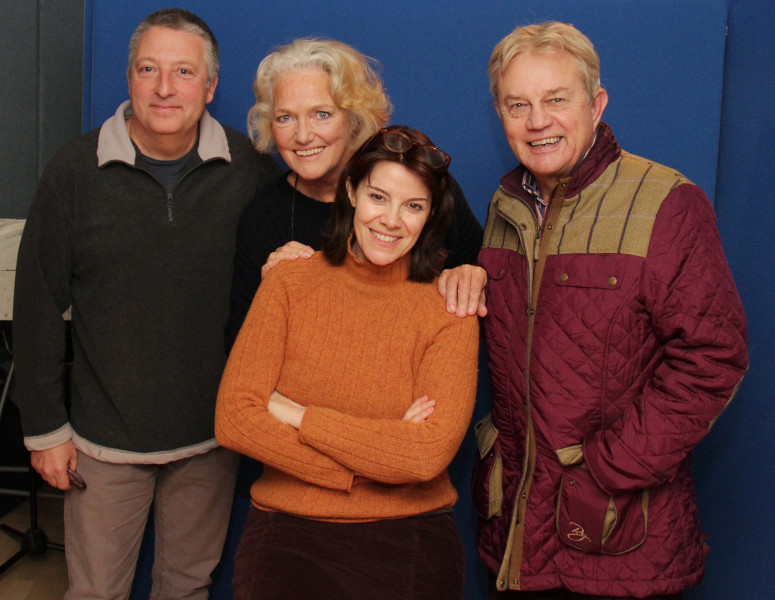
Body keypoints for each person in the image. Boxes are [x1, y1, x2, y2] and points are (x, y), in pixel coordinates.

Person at [473, 22, 748, 599]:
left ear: (596, 103)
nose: (537, 121)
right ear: (500, 113)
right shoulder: (505, 208)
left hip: (620, 537)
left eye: (556, 100)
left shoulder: (666, 201)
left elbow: (715, 357)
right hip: (515, 539)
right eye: (517, 104)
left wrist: (608, 469)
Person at [12, 8, 280, 599]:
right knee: (95, 592)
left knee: (186, 587)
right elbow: (35, 306)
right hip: (101, 441)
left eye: (184, 71)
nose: (164, 88)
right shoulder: (73, 172)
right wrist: (44, 430)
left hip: (211, 437)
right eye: (149, 69)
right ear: (129, 78)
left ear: (209, 86)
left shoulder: (250, 173)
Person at [215, 126, 480, 600]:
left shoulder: (449, 308)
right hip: (287, 533)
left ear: (431, 217)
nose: (392, 220)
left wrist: (295, 413)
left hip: (409, 535)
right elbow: (235, 418)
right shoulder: (288, 283)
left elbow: (424, 454)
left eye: (413, 206)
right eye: (379, 196)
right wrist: (366, 465)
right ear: (352, 191)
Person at [225, 38, 484, 351]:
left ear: (354, 117)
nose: (303, 135)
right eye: (285, 117)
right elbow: (244, 350)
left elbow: (482, 272)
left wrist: (473, 274)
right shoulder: (264, 217)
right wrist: (272, 296)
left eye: (322, 114)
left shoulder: (417, 186)